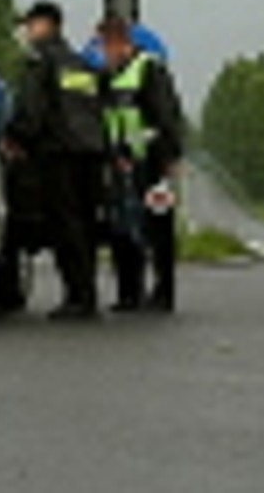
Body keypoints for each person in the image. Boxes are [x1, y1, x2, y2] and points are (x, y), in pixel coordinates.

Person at [3, 0, 108, 320]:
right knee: (87, 225)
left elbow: (32, 110)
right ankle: (88, 293)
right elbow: (96, 108)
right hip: (91, 152)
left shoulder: (41, 62)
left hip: (57, 154)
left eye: (31, 25)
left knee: (65, 225)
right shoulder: (81, 64)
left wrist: (16, 138)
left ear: (47, 25)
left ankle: (76, 297)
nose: (28, 32)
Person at [98, 15, 186, 313]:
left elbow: (166, 116)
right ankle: (129, 292)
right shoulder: (107, 77)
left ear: (121, 43)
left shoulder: (149, 69)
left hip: (152, 162)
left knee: (158, 228)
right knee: (121, 228)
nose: (104, 53)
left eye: (107, 46)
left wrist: (170, 157)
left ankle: (163, 292)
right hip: (121, 162)